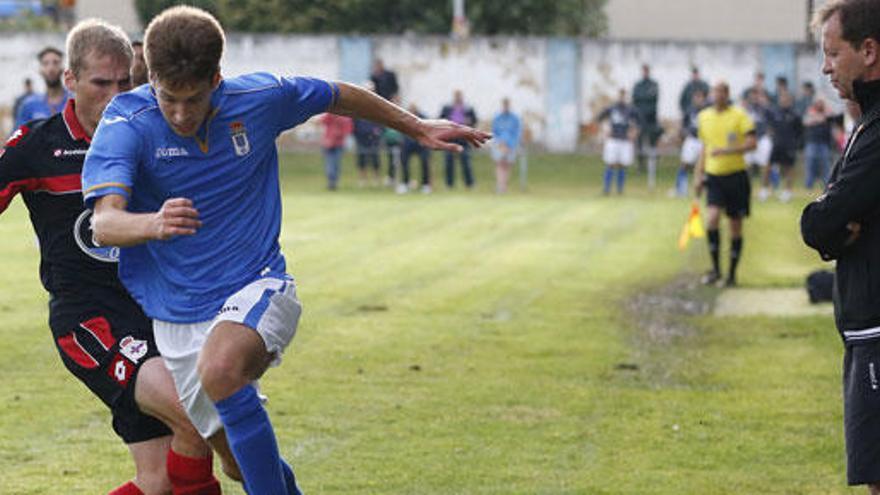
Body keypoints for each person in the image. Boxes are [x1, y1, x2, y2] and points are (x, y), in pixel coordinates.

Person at [81, 6, 490, 495]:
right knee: (242, 466)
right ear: (152, 81)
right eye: (170, 99)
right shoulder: (127, 120)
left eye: (194, 99)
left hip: (259, 284)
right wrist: (153, 223)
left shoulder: (260, 97)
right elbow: (104, 224)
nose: (182, 114)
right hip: (177, 318)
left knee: (222, 368)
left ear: (216, 78)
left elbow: (336, 94)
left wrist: (417, 127)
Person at [0, 19, 224, 495]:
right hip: (91, 320)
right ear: (71, 80)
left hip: (159, 312)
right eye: (101, 83)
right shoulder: (36, 146)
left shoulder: (151, 130)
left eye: (126, 81)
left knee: (159, 480)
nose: (116, 93)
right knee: (195, 412)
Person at [801, 1, 880, 492]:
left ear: (869, 51)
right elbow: (831, 217)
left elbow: (821, 221)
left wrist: (829, 219)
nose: (825, 67)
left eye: (833, 53)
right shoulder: (867, 125)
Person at [694, 81, 756, 287]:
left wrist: (727, 151)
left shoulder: (739, 115)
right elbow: (704, 148)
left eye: (721, 92)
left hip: (736, 176)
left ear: (727, 94)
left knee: (735, 226)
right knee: (711, 219)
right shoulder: (704, 117)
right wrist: (698, 175)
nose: (717, 95)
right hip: (714, 177)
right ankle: (715, 270)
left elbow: (752, 143)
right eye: (715, 91)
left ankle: (731, 274)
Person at [596, 88, 640, 195]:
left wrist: (634, 133)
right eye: (620, 96)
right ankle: (606, 189)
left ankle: (620, 190)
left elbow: (639, 123)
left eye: (624, 96)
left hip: (625, 140)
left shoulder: (631, 110)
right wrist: (604, 130)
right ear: (617, 96)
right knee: (610, 163)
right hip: (613, 139)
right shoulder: (611, 108)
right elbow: (599, 118)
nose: (622, 98)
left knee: (622, 165)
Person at [16, 46, 72, 128]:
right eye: (45, 63)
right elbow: (19, 137)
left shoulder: (75, 101)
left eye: (55, 62)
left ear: (63, 68)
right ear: (40, 70)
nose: (51, 68)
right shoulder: (29, 105)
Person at [767, 91, 803, 202]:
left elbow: (800, 131)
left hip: (789, 146)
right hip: (776, 144)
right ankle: (765, 189)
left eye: (786, 99)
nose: (784, 101)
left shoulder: (795, 115)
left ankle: (787, 191)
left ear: (790, 101)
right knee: (768, 165)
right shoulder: (775, 113)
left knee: (788, 168)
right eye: (782, 99)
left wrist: (796, 144)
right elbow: (771, 127)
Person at [742, 88, 777, 200]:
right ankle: (746, 189)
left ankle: (764, 189)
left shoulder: (766, 108)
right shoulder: (745, 109)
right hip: (749, 139)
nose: (755, 97)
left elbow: (774, 120)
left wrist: (770, 133)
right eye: (753, 95)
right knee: (747, 166)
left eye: (757, 94)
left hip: (762, 139)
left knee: (765, 165)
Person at [440, 89, 478, 189]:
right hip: (450, 139)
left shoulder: (468, 109)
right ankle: (449, 184)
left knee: (466, 161)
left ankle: (469, 184)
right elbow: (440, 120)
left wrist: (468, 121)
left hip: (464, 140)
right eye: (456, 96)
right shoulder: (447, 108)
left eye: (459, 96)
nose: (458, 98)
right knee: (448, 161)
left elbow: (474, 121)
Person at [674, 88, 708, 197]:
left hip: (704, 141)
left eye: (700, 97)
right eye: (696, 97)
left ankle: (706, 190)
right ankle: (680, 189)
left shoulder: (708, 111)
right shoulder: (689, 110)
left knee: (705, 166)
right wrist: (682, 135)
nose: (698, 99)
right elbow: (683, 125)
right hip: (692, 140)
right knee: (685, 164)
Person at [632, 64, 661, 185]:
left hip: (651, 118)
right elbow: (635, 98)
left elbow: (653, 97)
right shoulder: (638, 85)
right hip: (640, 118)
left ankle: (653, 164)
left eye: (646, 70)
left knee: (652, 141)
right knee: (639, 141)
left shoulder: (653, 84)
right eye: (643, 70)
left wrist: (643, 98)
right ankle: (641, 164)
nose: (645, 72)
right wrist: (645, 98)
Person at [490, 97, 522, 194]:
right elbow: (494, 132)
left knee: (507, 165)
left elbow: (516, 133)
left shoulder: (515, 118)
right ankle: (500, 186)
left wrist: (509, 145)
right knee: (500, 164)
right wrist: (500, 144)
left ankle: (504, 185)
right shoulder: (497, 118)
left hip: (510, 145)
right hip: (499, 144)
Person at [803, 98, 834, 190]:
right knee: (810, 165)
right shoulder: (810, 111)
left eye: (821, 103)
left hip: (824, 143)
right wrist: (819, 118)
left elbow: (830, 116)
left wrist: (819, 117)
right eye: (818, 103)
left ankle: (826, 184)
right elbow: (806, 122)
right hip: (812, 142)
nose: (819, 105)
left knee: (825, 165)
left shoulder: (827, 112)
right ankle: (809, 185)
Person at [401, 102, 432, 193]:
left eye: (413, 109)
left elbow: (427, 131)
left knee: (424, 161)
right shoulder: (404, 116)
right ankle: (405, 183)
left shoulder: (423, 118)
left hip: (421, 145)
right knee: (404, 161)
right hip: (408, 145)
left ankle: (425, 185)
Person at [319, 112, 353, 190]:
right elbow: (323, 121)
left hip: (338, 144)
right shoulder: (330, 114)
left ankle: (334, 182)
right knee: (330, 163)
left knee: (336, 164)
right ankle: (331, 182)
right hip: (329, 143)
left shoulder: (345, 117)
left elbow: (348, 129)